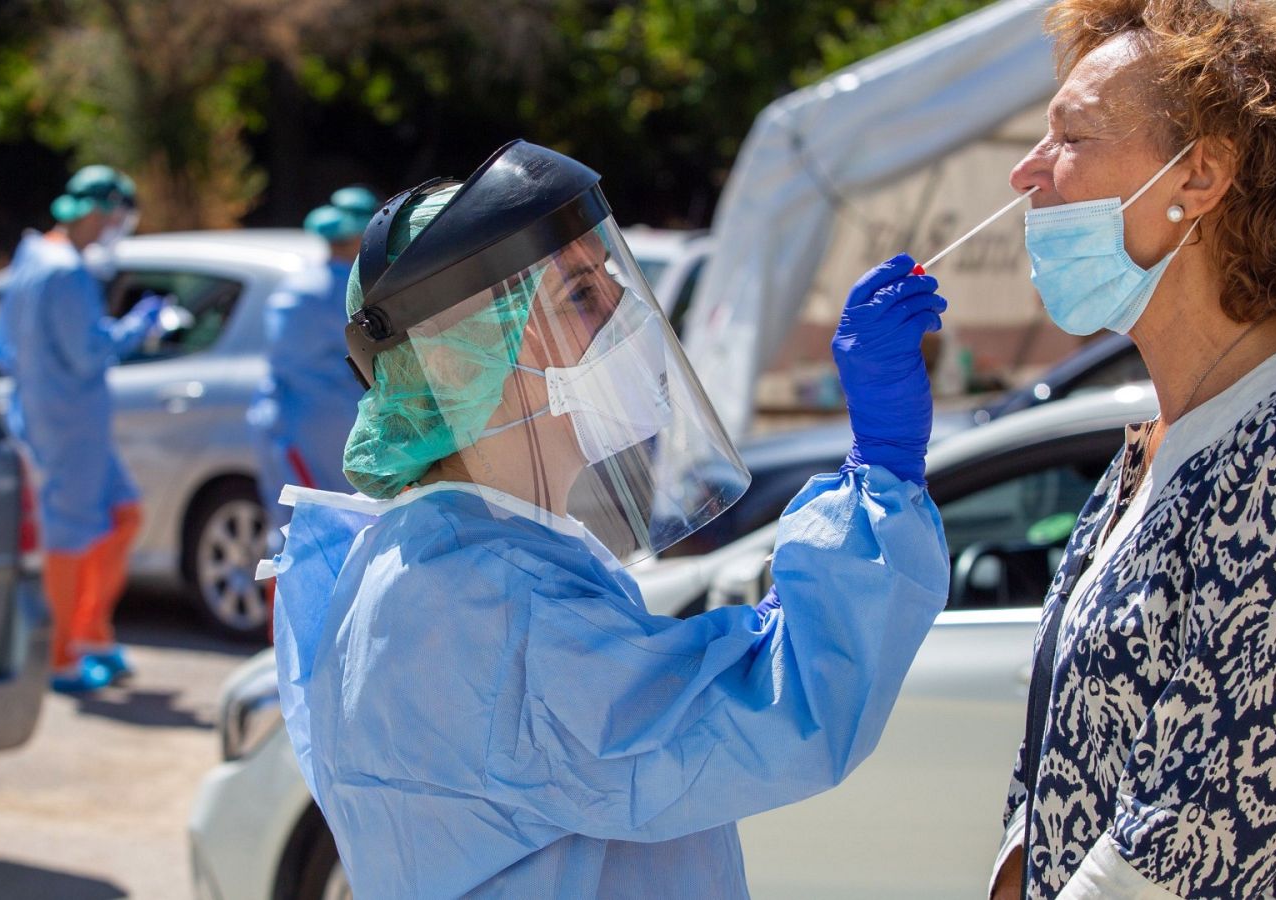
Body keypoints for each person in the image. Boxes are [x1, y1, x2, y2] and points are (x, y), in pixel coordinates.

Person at [267, 140, 951, 897]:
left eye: (613, 278)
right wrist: (881, 474)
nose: (629, 311)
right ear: (462, 361)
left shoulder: (439, 559)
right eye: (581, 296)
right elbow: (780, 719)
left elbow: (660, 710)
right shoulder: (490, 602)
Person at [984, 2, 1276, 898]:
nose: (1026, 172)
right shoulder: (1169, 439)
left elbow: (1187, 843)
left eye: (1070, 136)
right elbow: (1052, 792)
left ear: (1198, 175)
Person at [0, 164, 164, 694]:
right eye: (118, 216)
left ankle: (90, 632)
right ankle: (61, 656)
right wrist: (142, 326)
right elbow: (89, 353)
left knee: (123, 515)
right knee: (69, 533)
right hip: (68, 423)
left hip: (56, 417)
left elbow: (2, 348)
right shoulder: (65, 271)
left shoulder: (31, 255)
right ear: (101, 211)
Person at [247, 188, 377, 552]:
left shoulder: (303, 287)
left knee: (299, 537)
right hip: (307, 431)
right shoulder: (348, 292)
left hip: (294, 428)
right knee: (306, 541)